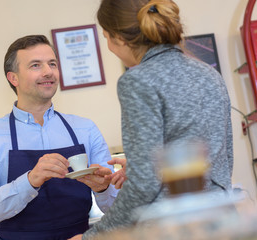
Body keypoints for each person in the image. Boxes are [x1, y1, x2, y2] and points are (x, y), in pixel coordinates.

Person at [70, 0, 234, 239]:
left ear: (120, 38)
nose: (109, 46)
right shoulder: (208, 73)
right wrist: (155, 168)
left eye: (106, 37)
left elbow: (144, 185)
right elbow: (222, 159)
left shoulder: (136, 81)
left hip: (174, 227)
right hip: (221, 220)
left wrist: (93, 236)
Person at [0, 35, 119, 240]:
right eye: (36, 65)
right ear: (13, 78)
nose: (48, 72)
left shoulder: (85, 129)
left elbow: (118, 209)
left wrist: (104, 189)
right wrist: (30, 181)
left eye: (52, 64)